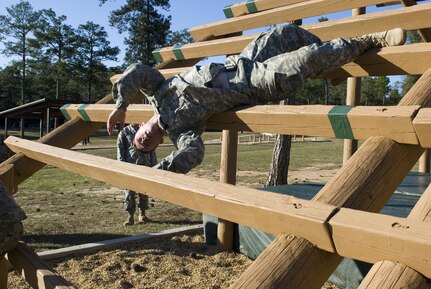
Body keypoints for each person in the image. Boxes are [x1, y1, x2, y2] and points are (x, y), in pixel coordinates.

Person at [107, 24, 406, 174]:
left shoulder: (157, 93)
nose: (144, 140)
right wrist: (162, 171)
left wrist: (120, 104)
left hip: (241, 61)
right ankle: (372, 40)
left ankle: (332, 65)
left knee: (286, 31)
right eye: (147, 145)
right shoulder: (183, 132)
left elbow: (138, 71)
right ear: (159, 145)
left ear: (138, 126)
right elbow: (194, 154)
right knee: (307, 58)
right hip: (253, 82)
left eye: (139, 139)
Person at [117, 124, 157, 226]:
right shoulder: (124, 132)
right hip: (130, 167)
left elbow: (152, 148)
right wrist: (121, 167)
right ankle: (130, 216)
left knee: (144, 191)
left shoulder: (146, 129)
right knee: (129, 192)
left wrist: (154, 166)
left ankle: (142, 215)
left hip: (144, 165)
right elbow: (120, 150)